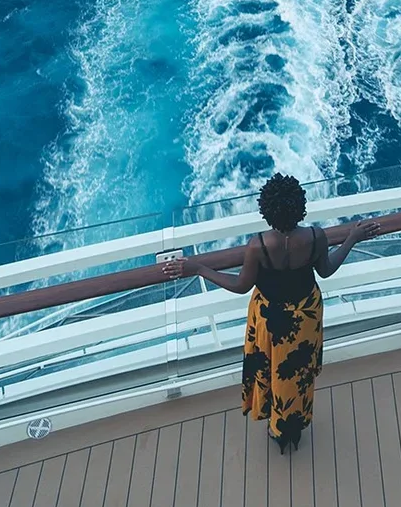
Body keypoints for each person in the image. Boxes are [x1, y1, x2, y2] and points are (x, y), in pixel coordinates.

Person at [162, 172, 381, 453]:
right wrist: (352, 237)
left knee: (273, 369)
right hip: (305, 315)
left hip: (271, 320)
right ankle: (294, 424)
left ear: (266, 212)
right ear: (300, 206)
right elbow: (326, 270)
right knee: (298, 371)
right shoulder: (316, 236)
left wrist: (199, 268)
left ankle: (276, 425)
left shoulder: (259, 245)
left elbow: (241, 286)